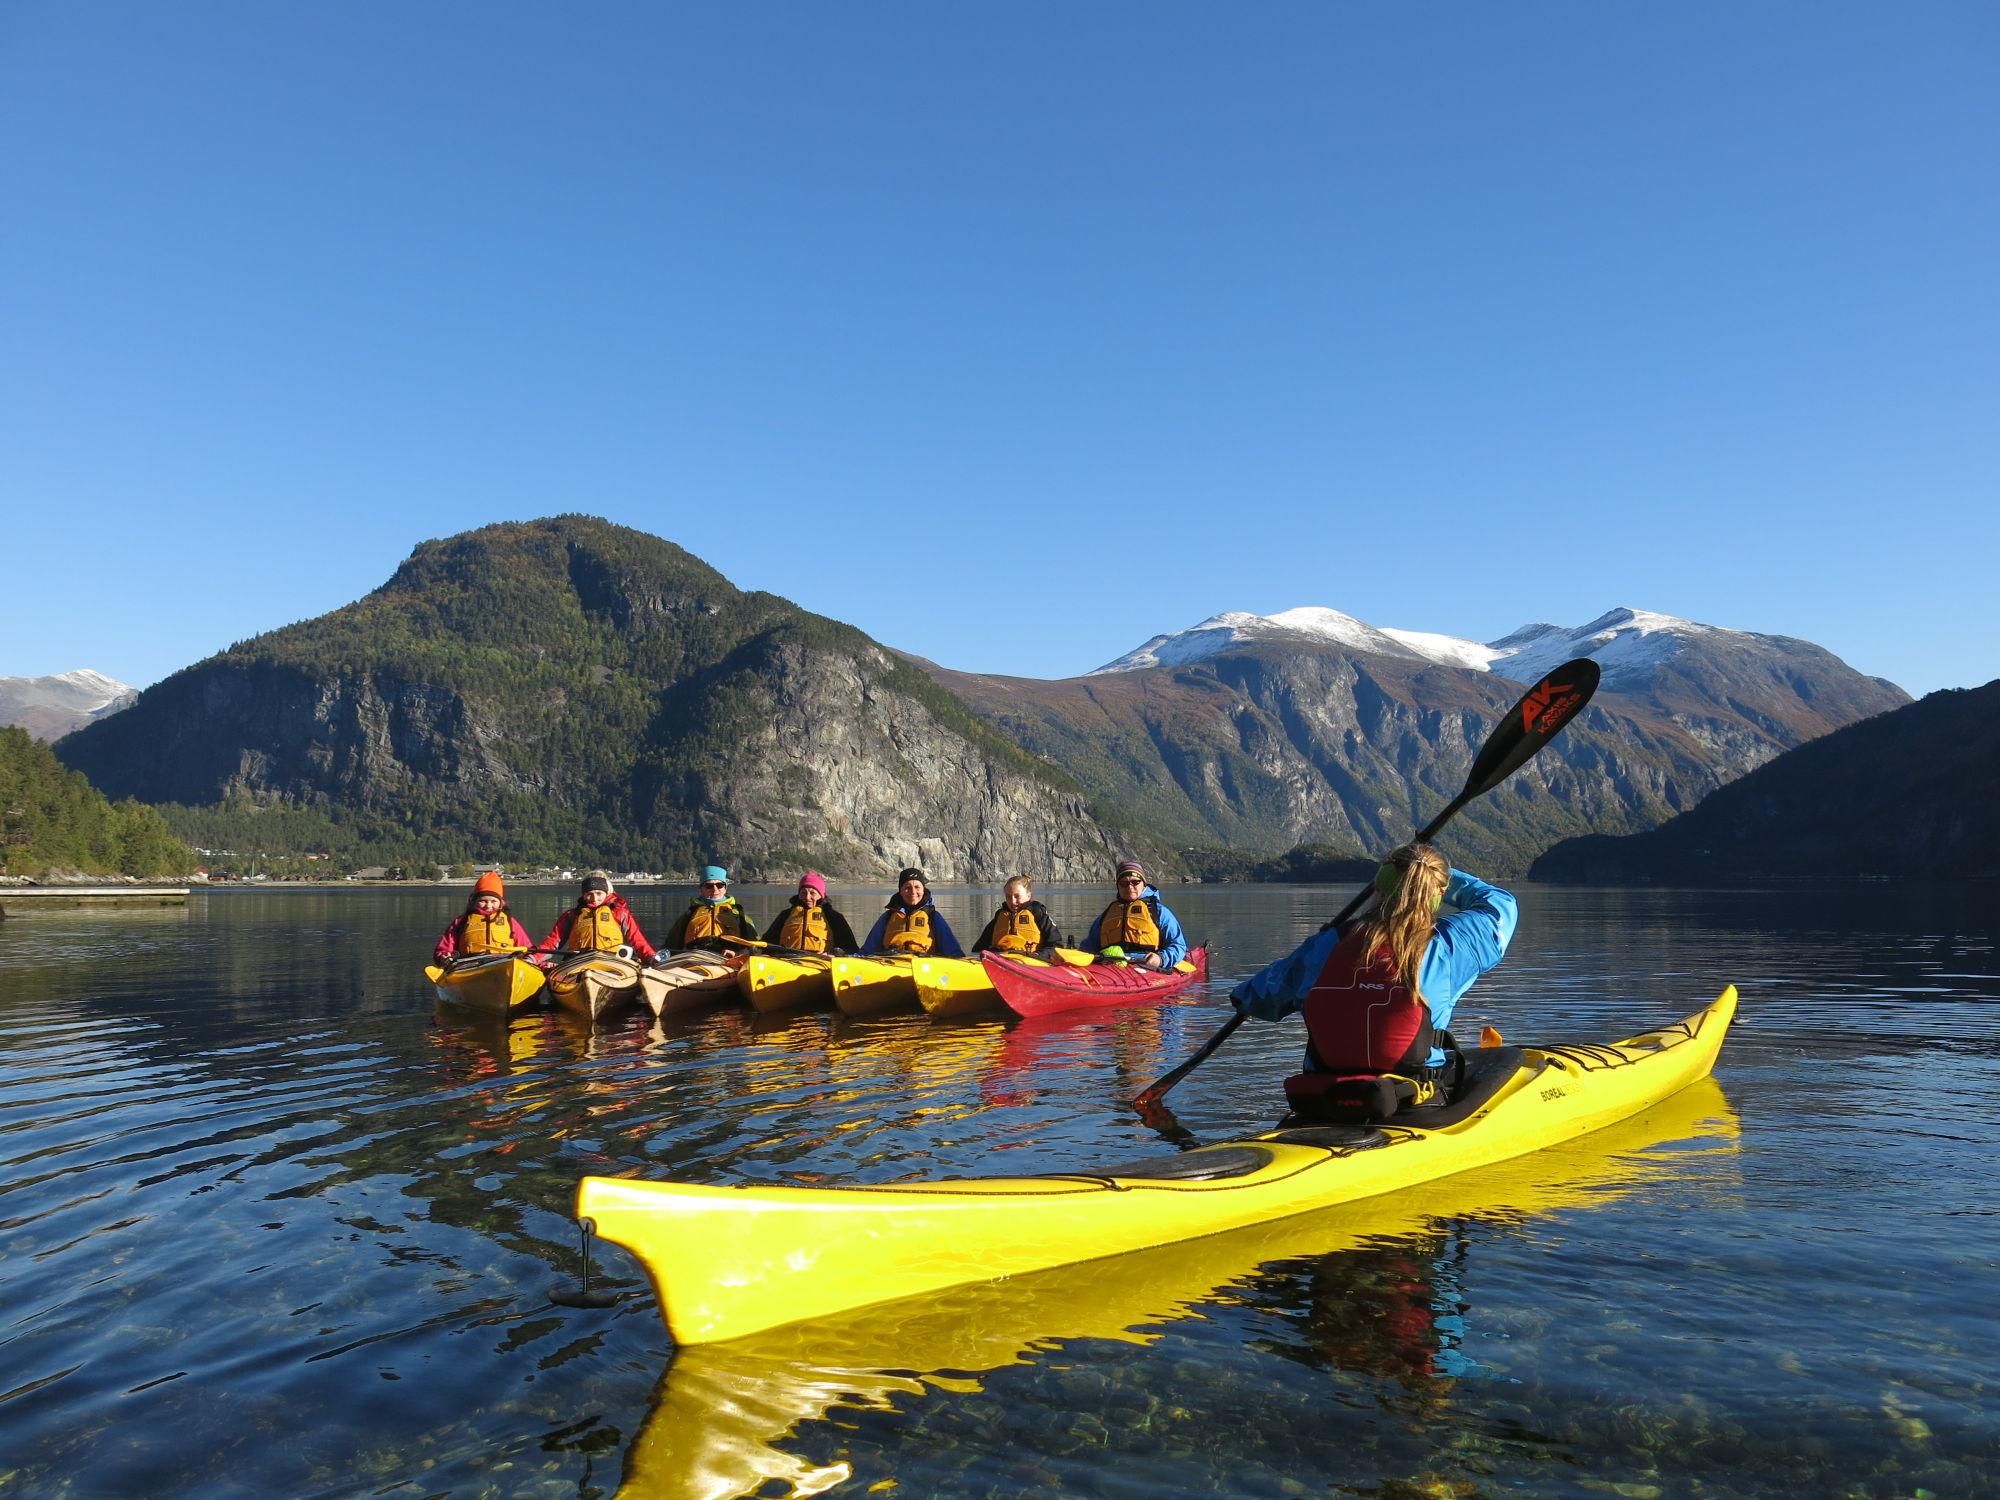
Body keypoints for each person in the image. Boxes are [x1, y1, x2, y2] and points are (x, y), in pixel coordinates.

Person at [1230, 842, 1516, 1120]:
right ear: (1438, 893)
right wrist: (1433, 874)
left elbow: (1250, 999)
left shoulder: (1325, 945)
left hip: (1326, 1101)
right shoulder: (1451, 945)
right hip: (1413, 1104)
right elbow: (1500, 905)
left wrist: (1320, 944)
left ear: (1379, 887)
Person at [1083, 860, 1187, 970]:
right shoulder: (1107, 915)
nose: (1129, 887)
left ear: (1144, 884)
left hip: (1146, 966)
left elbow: (1178, 945)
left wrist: (1161, 958)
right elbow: (1088, 947)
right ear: (1118, 886)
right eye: (1124, 883)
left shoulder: (1160, 912)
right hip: (1110, 967)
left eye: (1135, 882)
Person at [538, 869, 659, 964]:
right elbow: (552, 942)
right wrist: (532, 959)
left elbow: (637, 941)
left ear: (607, 893)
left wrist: (651, 958)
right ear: (583, 895)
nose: (594, 898)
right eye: (589, 894)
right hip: (578, 961)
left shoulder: (620, 913)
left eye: (599, 893)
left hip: (612, 962)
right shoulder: (571, 915)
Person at [860, 867, 964, 957]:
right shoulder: (888, 917)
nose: (913, 892)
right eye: (907, 888)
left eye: (917, 887)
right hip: (892, 964)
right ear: (900, 891)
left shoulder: (933, 916)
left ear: (923, 890)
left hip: (925, 965)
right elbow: (868, 950)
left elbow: (953, 950)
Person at [432, 871, 531, 963]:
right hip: (470, 965)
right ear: (474, 901)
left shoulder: (510, 922)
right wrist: (443, 956)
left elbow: (527, 947)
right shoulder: (461, 921)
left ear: (501, 903)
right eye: (483, 901)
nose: (488, 905)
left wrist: (539, 964)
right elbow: (443, 948)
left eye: (493, 901)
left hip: (503, 963)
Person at [662, 865, 761, 954]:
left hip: (730, 961)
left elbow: (755, 947)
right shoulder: (688, 915)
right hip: (695, 961)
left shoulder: (739, 915)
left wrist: (737, 954)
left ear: (725, 888)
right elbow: (670, 946)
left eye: (719, 885)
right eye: (709, 886)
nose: (715, 890)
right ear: (700, 889)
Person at [764, 870, 859, 954]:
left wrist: (835, 954)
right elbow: (767, 942)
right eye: (803, 893)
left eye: (812, 893)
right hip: (788, 962)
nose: (807, 897)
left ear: (821, 895)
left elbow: (851, 949)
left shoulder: (834, 917)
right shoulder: (786, 915)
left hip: (821, 963)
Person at [972, 874, 1064, 957]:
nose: (1012, 901)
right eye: (1008, 896)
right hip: (1000, 958)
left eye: (1017, 896)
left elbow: (1056, 945)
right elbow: (978, 948)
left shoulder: (1037, 912)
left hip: (1030, 959)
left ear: (1028, 895)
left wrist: (1038, 955)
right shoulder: (1000, 915)